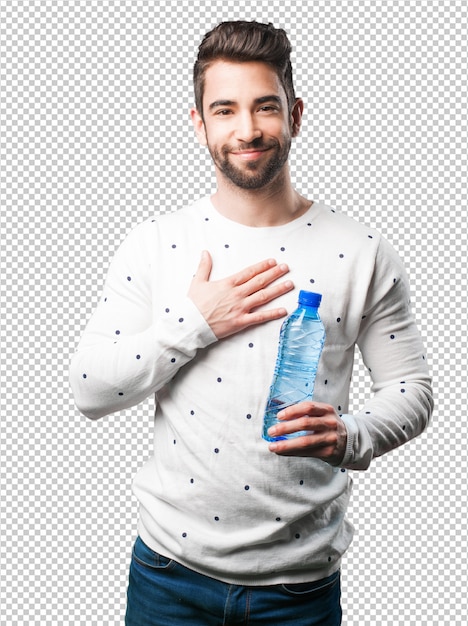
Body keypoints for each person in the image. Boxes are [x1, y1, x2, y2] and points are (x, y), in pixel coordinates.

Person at [69, 20, 433, 626]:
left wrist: (351, 435)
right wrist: (194, 322)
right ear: (199, 123)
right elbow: (88, 389)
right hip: (167, 581)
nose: (248, 130)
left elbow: (412, 390)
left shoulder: (364, 250)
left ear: (295, 114)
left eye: (265, 107)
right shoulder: (156, 243)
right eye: (226, 110)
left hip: (299, 590)